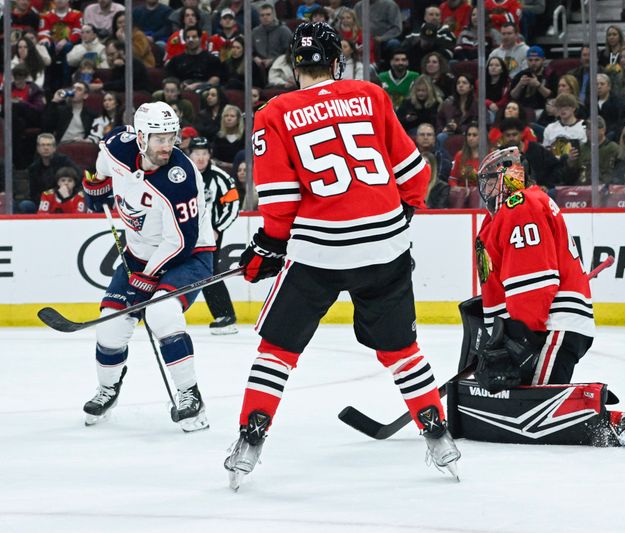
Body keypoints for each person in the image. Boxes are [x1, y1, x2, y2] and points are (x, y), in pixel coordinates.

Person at [225, 22, 461, 489]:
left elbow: (280, 200)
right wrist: (401, 215)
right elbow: (414, 172)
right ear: (337, 62)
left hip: (320, 250)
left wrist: (268, 247)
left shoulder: (274, 112)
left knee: (278, 350)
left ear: (296, 66)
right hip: (386, 245)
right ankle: (437, 434)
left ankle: (250, 439)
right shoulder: (371, 95)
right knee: (400, 349)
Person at [460, 145, 625, 446]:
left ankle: (610, 420)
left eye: (491, 180)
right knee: (515, 398)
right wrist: (494, 337)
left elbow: (533, 282)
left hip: (554, 323)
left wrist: (518, 338)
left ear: (510, 175)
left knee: (534, 410)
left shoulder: (522, 206)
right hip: (539, 323)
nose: (486, 189)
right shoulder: (499, 219)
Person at [79, 102, 215, 431]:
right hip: (139, 254)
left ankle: (190, 396)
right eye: (159, 139)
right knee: (110, 327)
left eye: (171, 137)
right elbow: (103, 160)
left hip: (189, 255)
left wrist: (149, 276)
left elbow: (180, 241)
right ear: (140, 138)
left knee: (161, 314)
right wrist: (97, 183)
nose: (167, 145)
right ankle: (108, 388)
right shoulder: (117, 147)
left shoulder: (179, 179)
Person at [187, 137, 240, 334]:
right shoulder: (182, 174)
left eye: (204, 153)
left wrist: (218, 228)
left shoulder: (220, 177)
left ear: (210, 155)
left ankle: (225, 315)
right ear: (190, 154)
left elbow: (233, 205)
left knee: (208, 273)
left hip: (210, 235)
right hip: (185, 234)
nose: (201, 158)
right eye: (196, 153)